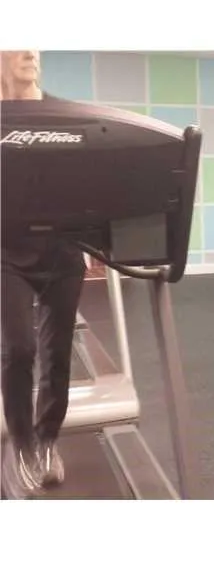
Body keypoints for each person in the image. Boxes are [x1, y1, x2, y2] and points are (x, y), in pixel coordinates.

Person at [1, 50, 87, 497]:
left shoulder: (63, 116)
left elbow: (92, 180)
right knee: (19, 348)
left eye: (35, 43)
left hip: (61, 251)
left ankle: (47, 440)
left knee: (58, 353)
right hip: (5, 250)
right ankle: (20, 446)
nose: (30, 52)